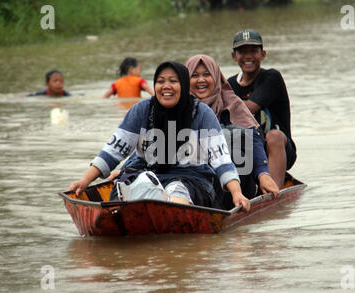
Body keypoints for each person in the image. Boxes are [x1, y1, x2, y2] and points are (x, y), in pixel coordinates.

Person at [69, 61, 250, 211]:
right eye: (161, 81)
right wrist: (85, 180)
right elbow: (114, 150)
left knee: (177, 198)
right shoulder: (142, 110)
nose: (166, 86)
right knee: (133, 191)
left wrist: (236, 193)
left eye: (173, 81)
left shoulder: (202, 113)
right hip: (147, 174)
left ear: (184, 85)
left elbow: (221, 158)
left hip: (192, 179)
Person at [185, 54, 279, 201]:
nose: (201, 80)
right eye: (194, 75)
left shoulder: (231, 104)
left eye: (207, 74)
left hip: (236, 181)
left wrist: (263, 174)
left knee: (235, 144)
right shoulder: (180, 108)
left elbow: (252, 137)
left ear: (216, 77)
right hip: (196, 179)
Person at [228, 29, 297, 191]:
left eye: (253, 51)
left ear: (263, 54)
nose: (248, 56)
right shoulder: (230, 85)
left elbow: (248, 109)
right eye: (242, 52)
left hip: (280, 148)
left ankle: (273, 192)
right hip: (249, 149)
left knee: (273, 136)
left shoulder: (271, 78)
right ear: (234, 56)